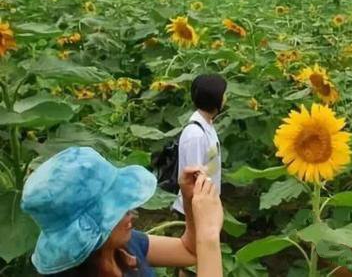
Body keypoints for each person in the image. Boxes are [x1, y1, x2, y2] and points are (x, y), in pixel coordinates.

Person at [20, 146, 223, 277]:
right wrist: (209, 236)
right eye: (116, 207)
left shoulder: (121, 246)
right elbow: (199, 247)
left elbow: (188, 251)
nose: (130, 211)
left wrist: (188, 199)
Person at [173, 74, 227, 216]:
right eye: (223, 94)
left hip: (206, 203)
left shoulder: (207, 124)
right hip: (194, 209)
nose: (226, 98)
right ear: (215, 99)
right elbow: (194, 177)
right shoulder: (195, 134)